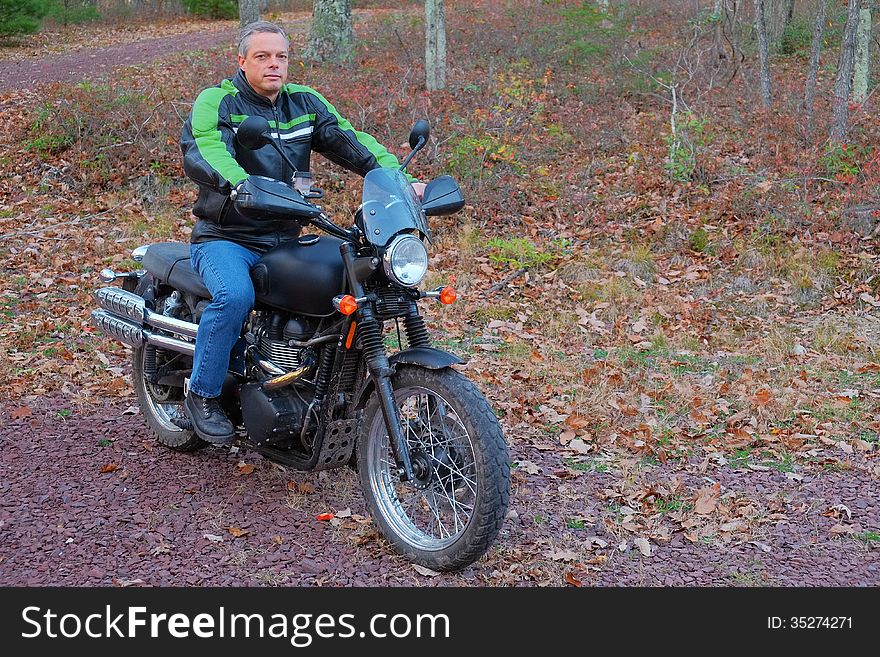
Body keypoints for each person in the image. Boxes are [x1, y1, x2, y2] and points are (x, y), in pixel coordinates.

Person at [179, 20, 424, 445]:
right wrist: (242, 186)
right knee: (235, 296)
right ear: (242, 61)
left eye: (281, 57)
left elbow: (349, 141)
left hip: (289, 235)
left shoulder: (304, 103)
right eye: (262, 56)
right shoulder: (217, 101)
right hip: (227, 236)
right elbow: (206, 147)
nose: (273, 64)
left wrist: (399, 179)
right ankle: (202, 394)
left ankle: (328, 390)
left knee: (355, 281)